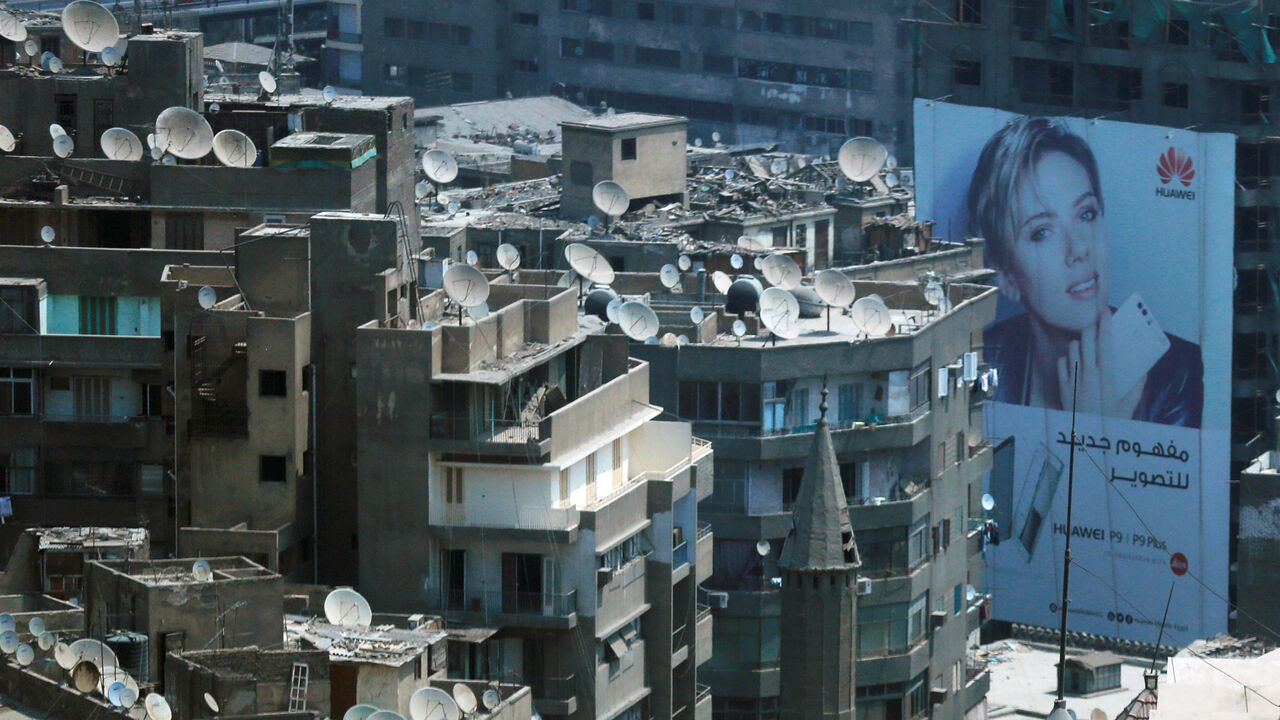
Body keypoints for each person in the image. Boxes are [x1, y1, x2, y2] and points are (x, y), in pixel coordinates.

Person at [967, 116, 1203, 428]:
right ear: (1006, 275)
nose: (1079, 248)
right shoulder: (975, 358)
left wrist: (1102, 430)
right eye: (1041, 232)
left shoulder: (1174, 372)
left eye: (1087, 214)